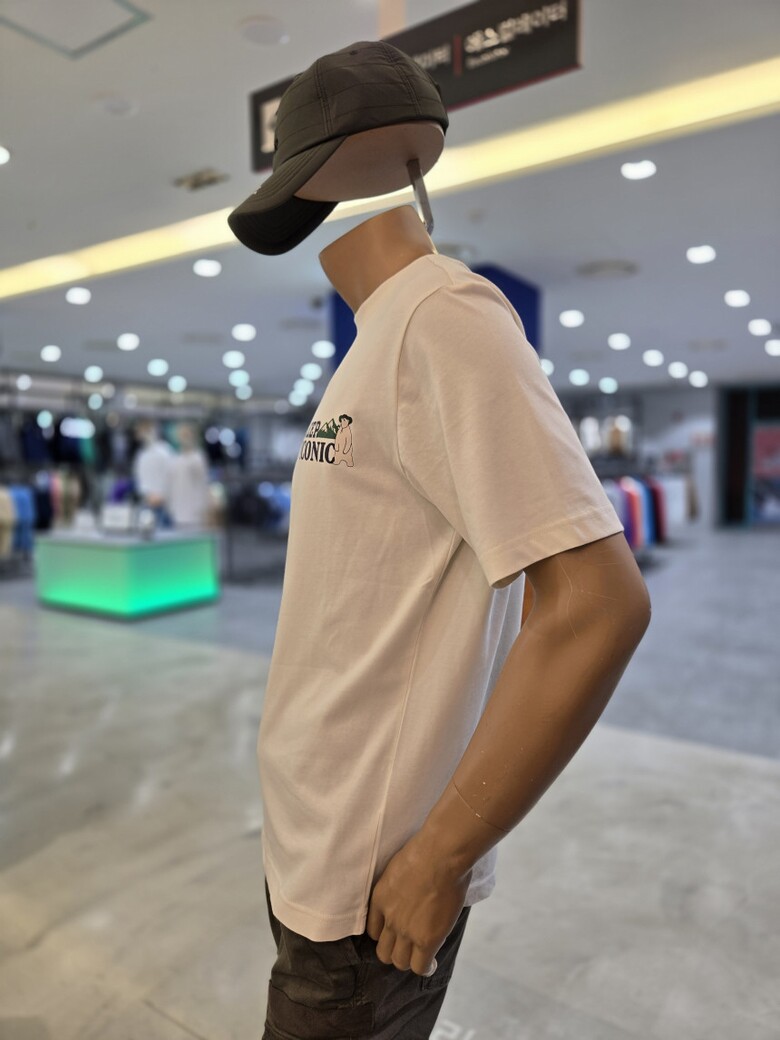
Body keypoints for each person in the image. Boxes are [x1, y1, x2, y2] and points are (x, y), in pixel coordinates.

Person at [228, 40, 651, 1040]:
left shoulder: (444, 315)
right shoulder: (379, 338)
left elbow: (597, 607)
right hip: (319, 837)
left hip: (373, 878)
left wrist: (441, 855)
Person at [132, 420, 174, 528]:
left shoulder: (165, 451)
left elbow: (171, 476)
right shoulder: (141, 455)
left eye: (146, 430)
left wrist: (162, 495)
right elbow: (139, 478)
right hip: (146, 503)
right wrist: (147, 496)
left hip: (163, 504)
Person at [168, 422, 210, 527]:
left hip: (195, 513)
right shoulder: (175, 459)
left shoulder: (198, 458)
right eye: (182, 435)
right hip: (177, 511)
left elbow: (203, 485)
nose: (184, 438)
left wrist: (203, 508)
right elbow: (171, 485)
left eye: (186, 435)